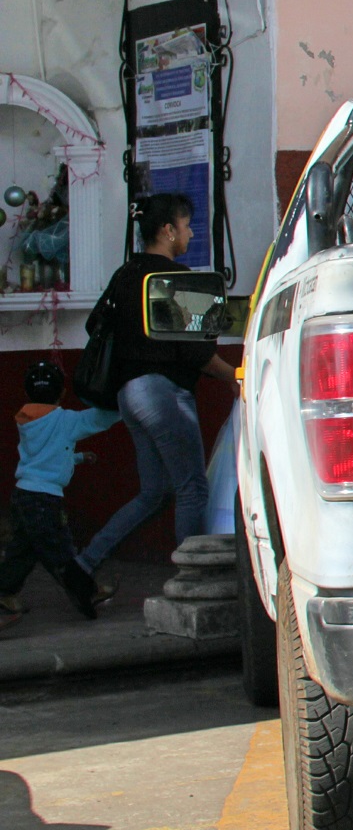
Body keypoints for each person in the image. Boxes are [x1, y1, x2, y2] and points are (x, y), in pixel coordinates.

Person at [72, 195, 232, 577]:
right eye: (187, 224)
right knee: (192, 487)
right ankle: (194, 579)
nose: (190, 233)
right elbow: (196, 354)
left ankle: (84, 563)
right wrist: (235, 376)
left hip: (129, 395)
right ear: (167, 230)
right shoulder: (174, 279)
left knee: (154, 493)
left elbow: (95, 324)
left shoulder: (125, 275)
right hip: (164, 395)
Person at [0, 362, 121, 630]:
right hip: (44, 500)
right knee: (60, 550)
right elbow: (99, 419)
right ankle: (87, 591)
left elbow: (43, 455)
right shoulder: (65, 420)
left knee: (23, 550)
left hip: (23, 494)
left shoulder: (26, 420)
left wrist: (77, 457)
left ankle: (4, 591)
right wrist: (128, 403)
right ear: (63, 392)